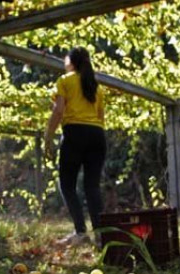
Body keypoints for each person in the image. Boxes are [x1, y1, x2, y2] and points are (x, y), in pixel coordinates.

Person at [44, 47, 107, 246]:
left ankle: (80, 232)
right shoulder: (96, 87)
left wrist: (48, 136)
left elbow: (59, 110)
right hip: (97, 135)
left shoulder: (65, 81)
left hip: (75, 133)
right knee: (92, 186)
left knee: (67, 184)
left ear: (70, 61)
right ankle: (100, 236)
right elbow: (100, 117)